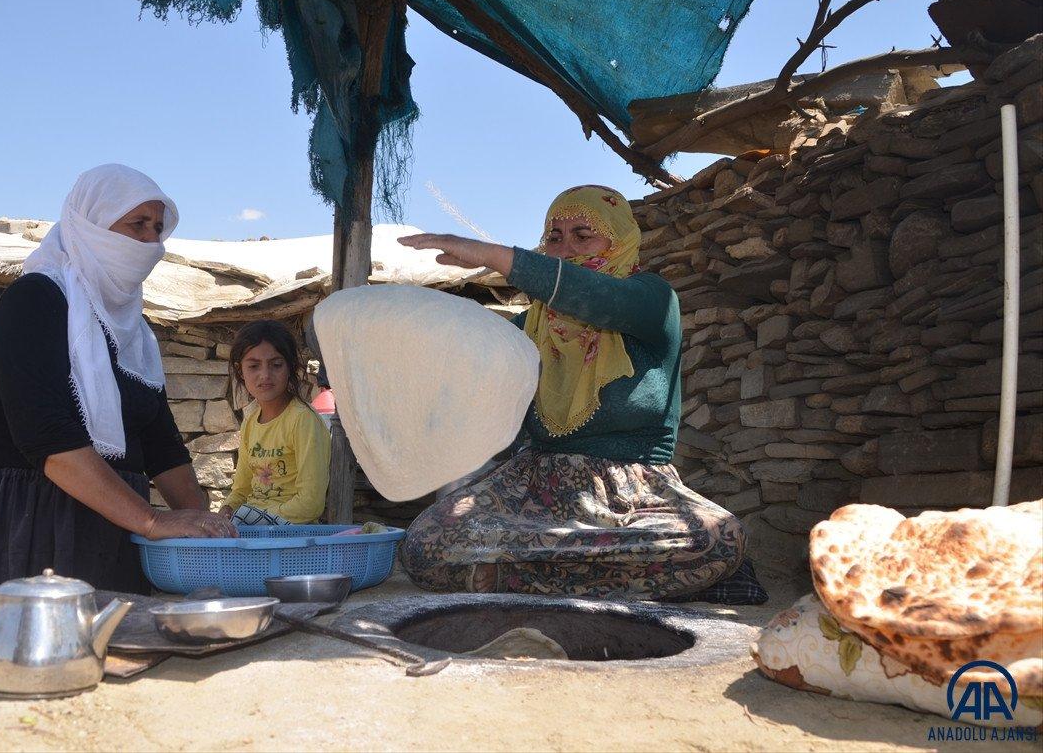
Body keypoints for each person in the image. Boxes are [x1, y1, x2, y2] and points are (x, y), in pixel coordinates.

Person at [0, 164, 236, 628]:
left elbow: (161, 445)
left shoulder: (134, 332)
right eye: (137, 224)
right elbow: (48, 437)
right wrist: (151, 521)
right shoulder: (34, 301)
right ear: (91, 224)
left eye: (158, 228)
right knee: (19, 653)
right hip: (24, 524)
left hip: (107, 526)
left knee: (104, 657)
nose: (150, 242)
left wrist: (208, 528)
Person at [396, 185, 753, 601]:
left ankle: (513, 575)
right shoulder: (529, 326)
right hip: (531, 487)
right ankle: (593, 574)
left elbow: (595, 296)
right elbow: (469, 370)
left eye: (583, 236)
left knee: (718, 538)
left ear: (619, 240)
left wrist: (492, 255)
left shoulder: (652, 301)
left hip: (633, 497)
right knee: (423, 543)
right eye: (554, 238)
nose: (565, 250)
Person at [218, 321, 330, 525]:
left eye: (276, 365)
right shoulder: (250, 423)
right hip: (253, 530)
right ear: (240, 371)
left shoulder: (303, 420)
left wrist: (255, 521)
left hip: (289, 534)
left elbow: (310, 503)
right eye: (254, 366)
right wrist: (227, 510)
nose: (265, 375)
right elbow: (241, 490)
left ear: (291, 367)